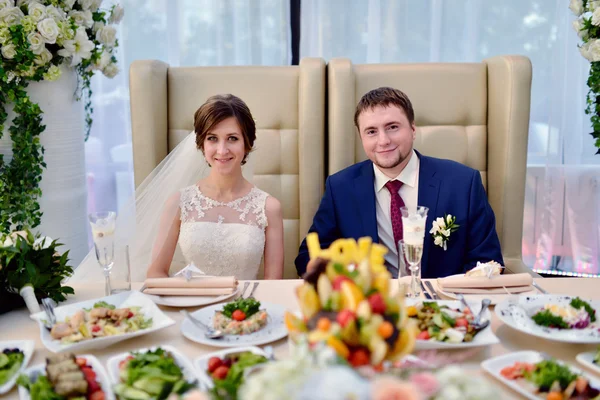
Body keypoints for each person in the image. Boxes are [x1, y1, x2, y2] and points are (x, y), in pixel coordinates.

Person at [70, 94, 284, 282]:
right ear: (201, 144)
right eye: (212, 138)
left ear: (247, 144)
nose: (222, 149)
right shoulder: (179, 203)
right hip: (190, 309)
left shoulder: (268, 208)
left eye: (232, 139)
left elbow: (273, 284)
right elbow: (155, 273)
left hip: (244, 314)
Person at [295, 87, 503, 279]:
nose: (383, 140)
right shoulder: (340, 187)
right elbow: (308, 258)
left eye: (392, 127)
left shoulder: (463, 183)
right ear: (361, 138)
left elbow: (487, 261)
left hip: (444, 306)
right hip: (371, 307)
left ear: (413, 130)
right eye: (371, 132)